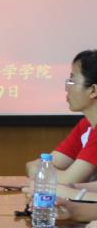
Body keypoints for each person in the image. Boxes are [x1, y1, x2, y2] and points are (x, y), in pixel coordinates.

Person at [25, 50, 97, 187]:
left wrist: (40, 172)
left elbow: (69, 180)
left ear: (93, 90)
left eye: (72, 81)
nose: (66, 88)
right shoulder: (85, 125)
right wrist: (40, 171)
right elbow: (38, 164)